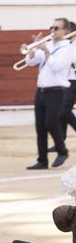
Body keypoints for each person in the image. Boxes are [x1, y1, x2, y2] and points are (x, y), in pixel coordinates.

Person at [24, 19, 75, 170]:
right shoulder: (50, 44)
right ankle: (42, 160)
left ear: (66, 31)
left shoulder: (67, 48)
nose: (53, 30)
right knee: (40, 126)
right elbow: (30, 62)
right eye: (51, 27)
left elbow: (56, 66)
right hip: (41, 91)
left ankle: (62, 150)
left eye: (57, 28)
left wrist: (45, 51)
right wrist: (32, 51)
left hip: (57, 91)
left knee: (51, 123)